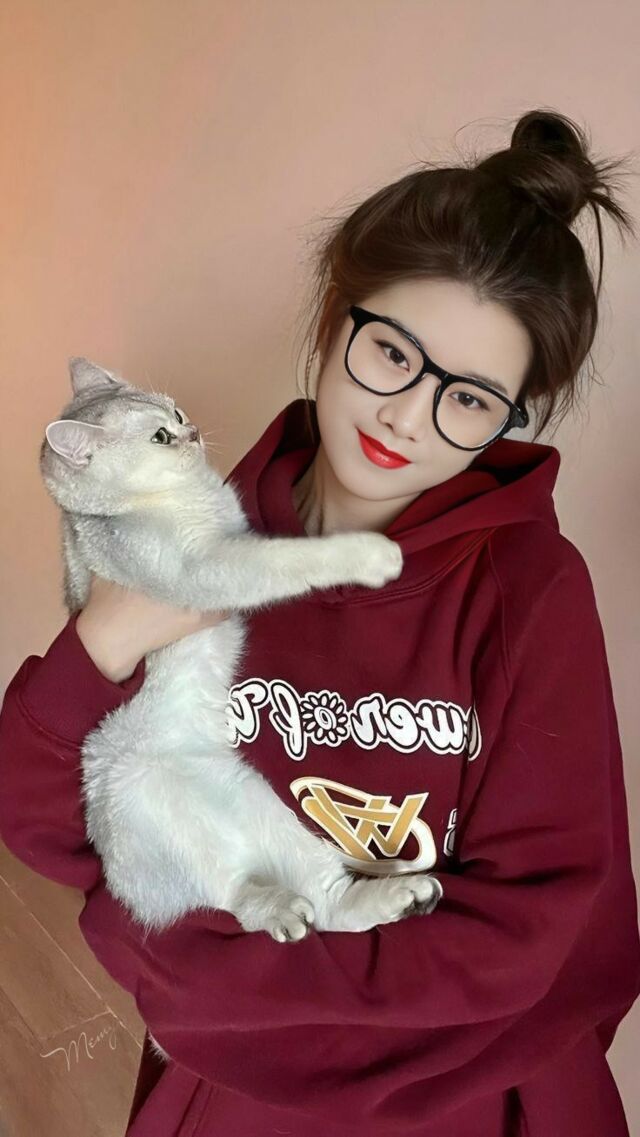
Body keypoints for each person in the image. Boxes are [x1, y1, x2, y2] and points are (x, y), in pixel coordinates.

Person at [1, 107, 639, 1137]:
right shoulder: (188, 548)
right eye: (392, 351)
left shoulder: (531, 588)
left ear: (511, 416)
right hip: (234, 1100)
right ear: (337, 315)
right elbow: (55, 825)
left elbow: (541, 924)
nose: (408, 417)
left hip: (465, 1100)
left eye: (470, 400)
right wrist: (101, 644)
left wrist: (200, 979)